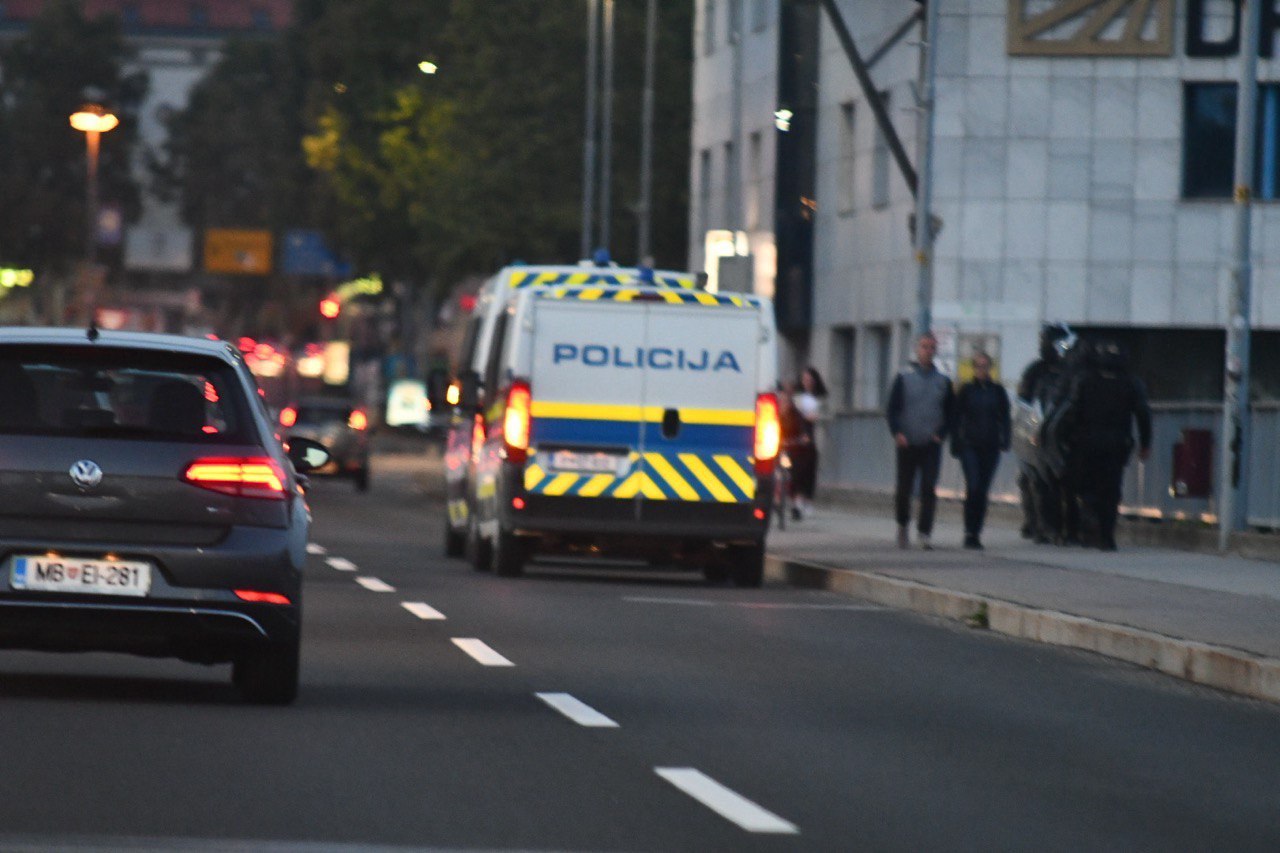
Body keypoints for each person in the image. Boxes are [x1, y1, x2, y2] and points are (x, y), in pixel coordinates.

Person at [1058, 340, 1152, 551]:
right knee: (1111, 489)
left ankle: (1091, 521)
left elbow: (1071, 411)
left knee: (1087, 486)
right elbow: (1143, 414)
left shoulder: (1085, 380)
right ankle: (1107, 536)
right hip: (1117, 444)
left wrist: (1065, 438)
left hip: (1087, 443)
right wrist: (1146, 443)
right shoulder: (1131, 383)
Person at [887, 333, 955, 549]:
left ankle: (925, 532)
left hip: (930, 443)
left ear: (935, 351)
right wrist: (897, 432)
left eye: (931, 347)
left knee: (928, 487)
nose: (927, 351)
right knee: (904, 487)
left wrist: (941, 434)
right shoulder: (904, 377)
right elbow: (892, 409)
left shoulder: (943, 381)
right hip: (907, 441)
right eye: (924, 347)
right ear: (917, 350)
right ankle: (902, 524)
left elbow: (951, 413)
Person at [951, 351, 1011, 550]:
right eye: (978, 366)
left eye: (985, 366)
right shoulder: (967, 390)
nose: (981, 370)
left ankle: (976, 532)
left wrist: (1005, 439)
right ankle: (969, 531)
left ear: (990, 368)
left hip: (991, 445)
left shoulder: (997, 391)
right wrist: (956, 442)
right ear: (973, 368)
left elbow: (1005, 417)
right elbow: (956, 417)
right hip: (970, 445)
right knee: (974, 485)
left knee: (983, 490)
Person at [789, 367, 827, 519]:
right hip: (799, 439)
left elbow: (829, 414)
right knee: (797, 470)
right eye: (804, 380)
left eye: (810, 380)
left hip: (814, 438)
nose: (807, 383)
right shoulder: (797, 398)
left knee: (811, 470)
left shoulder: (821, 398)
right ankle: (797, 501)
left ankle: (808, 500)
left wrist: (818, 417)